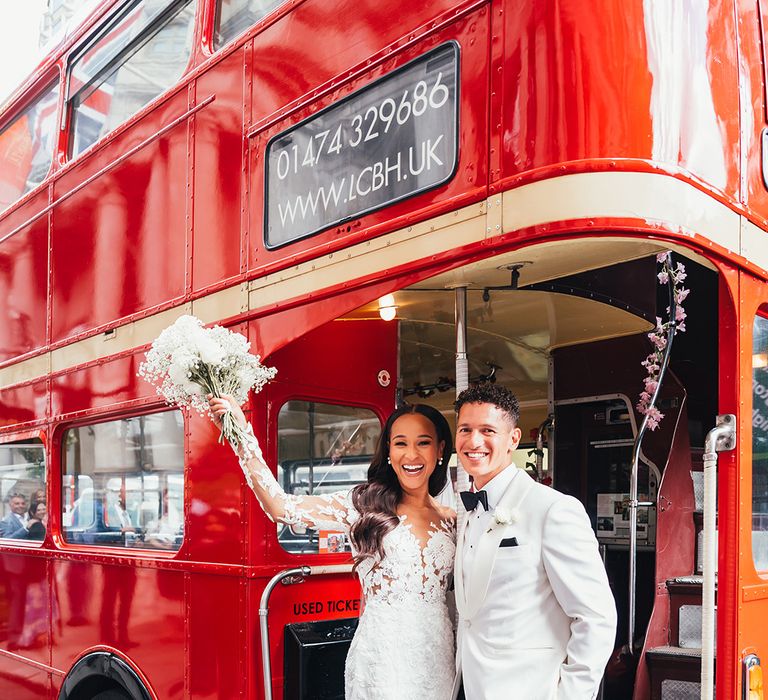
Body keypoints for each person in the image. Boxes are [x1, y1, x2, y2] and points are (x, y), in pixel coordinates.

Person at [208, 394, 456, 700]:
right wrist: (240, 432)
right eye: (401, 443)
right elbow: (280, 507)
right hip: (384, 655)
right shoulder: (363, 505)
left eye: (423, 442)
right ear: (389, 451)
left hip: (439, 654)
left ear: (440, 449)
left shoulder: (453, 520)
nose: (411, 454)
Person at [451, 383, 617, 700]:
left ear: (514, 439)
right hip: (471, 686)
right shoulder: (469, 512)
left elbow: (596, 617)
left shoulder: (553, 509)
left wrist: (570, 695)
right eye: (465, 429)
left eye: (488, 430)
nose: (474, 442)